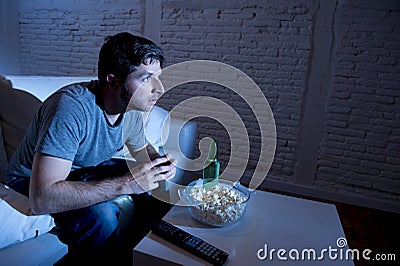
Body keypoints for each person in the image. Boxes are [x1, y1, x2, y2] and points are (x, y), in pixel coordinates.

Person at [6, 32, 176, 263]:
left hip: (84, 170)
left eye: (158, 77)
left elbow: (139, 144)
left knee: (158, 188)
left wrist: (158, 162)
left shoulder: (133, 106)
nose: (160, 88)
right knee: (101, 216)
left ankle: (145, 256)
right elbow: (42, 198)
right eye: (146, 79)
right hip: (32, 182)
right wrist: (126, 184)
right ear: (114, 81)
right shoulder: (70, 109)